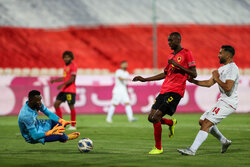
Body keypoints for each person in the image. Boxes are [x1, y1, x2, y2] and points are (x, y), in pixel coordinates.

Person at [133, 32, 197, 154]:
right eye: (168, 41)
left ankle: (158, 148)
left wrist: (178, 65)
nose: (169, 43)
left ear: (178, 40)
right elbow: (165, 74)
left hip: (176, 91)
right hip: (164, 90)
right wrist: (145, 79)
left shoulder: (186, 53)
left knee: (155, 117)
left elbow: (194, 73)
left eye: (171, 40)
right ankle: (170, 122)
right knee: (151, 118)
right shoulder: (171, 56)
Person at [177, 45, 239, 155]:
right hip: (223, 101)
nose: (218, 55)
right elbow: (209, 83)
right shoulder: (222, 69)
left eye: (220, 53)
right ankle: (224, 141)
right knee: (202, 121)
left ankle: (192, 150)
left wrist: (217, 78)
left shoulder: (232, 69)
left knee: (206, 123)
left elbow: (228, 88)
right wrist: (193, 81)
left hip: (229, 102)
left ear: (228, 55)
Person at [50, 51, 77, 130]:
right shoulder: (65, 66)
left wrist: (62, 84)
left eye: (68, 57)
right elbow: (65, 78)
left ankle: (73, 125)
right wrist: (55, 80)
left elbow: (72, 79)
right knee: (56, 104)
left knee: (71, 106)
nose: (66, 58)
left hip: (70, 90)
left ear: (71, 58)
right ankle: (61, 123)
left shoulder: (73, 66)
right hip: (64, 89)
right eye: (65, 57)